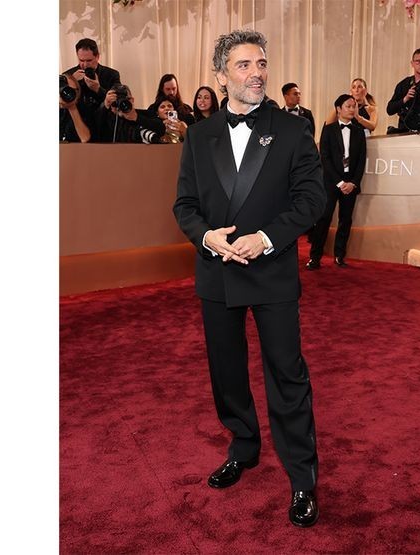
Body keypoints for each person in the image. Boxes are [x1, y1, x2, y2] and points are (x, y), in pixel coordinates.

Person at [172, 29, 326, 528]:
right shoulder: (198, 136)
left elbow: (311, 200)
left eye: (261, 62)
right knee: (227, 373)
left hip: (273, 270)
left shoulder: (292, 129)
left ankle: (302, 478)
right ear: (221, 75)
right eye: (243, 65)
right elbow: (185, 206)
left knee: (287, 375)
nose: (256, 72)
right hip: (217, 274)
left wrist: (265, 238)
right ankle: (243, 445)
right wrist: (205, 238)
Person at [307, 94, 367, 270]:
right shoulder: (329, 129)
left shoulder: (359, 131)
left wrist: (353, 183)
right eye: (348, 106)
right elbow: (324, 158)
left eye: (354, 106)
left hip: (351, 184)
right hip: (331, 183)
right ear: (338, 109)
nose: (351, 109)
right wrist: (339, 182)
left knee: (345, 220)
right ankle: (315, 257)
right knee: (324, 219)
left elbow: (362, 160)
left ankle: (340, 255)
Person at [62, 38, 122, 141]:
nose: (85, 65)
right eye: (81, 60)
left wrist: (98, 89)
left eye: (89, 60)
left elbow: (117, 101)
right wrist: (71, 83)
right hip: (75, 130)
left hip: (103, 129)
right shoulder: (68, 76)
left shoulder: (111, 74)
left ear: (97, 56)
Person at [93, 83, 166, 143]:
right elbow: (94, 128)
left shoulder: (144, 114)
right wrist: (105, 105)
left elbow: (161, 129)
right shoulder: (107, 119)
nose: (121, 103)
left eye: (126, 100)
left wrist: (136, 118)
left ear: (132, 100)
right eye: (117, 101)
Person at [386, 48, 420, 134]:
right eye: (417, 61)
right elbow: (390, 110)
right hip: (406, 133)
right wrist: (405, 99)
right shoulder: (403, 85)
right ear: (412, 63)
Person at [59, 72, 92, 143]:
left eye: (70, 90)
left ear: (78, 91)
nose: (66, 93)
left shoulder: (84, 108)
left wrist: (72, 107)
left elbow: (85, 138)